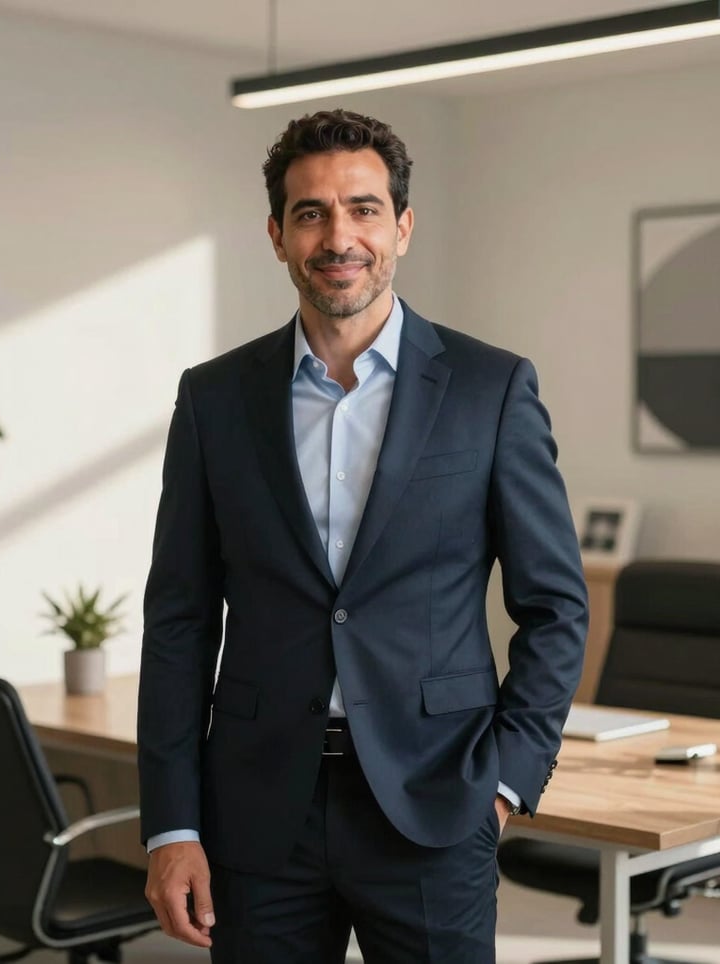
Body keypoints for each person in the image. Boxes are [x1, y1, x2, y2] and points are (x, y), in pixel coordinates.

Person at [137, 108, 588, 964]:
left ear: (403, 227)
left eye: (363, 209)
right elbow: (180, 624)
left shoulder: (490, 390)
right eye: (311, 213)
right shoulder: (215, 399)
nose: (338, 235)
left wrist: (502, 783)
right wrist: (172, 823)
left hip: (436, 806)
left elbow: (556, 607)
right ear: (276, 235)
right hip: (258, 812)